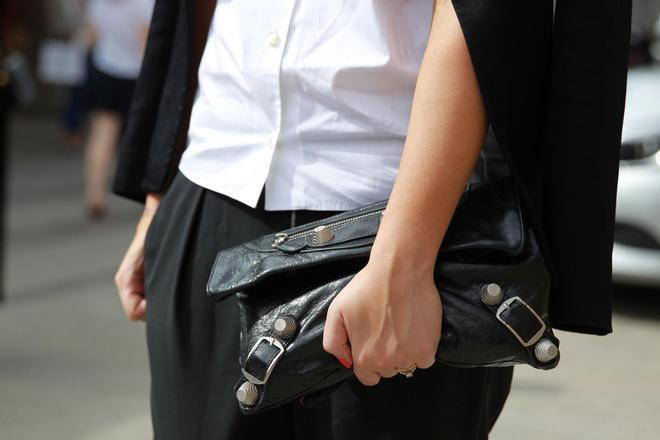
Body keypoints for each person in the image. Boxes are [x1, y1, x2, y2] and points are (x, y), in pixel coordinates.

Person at [113, 0, 632, 439]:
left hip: (404, 223)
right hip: (213, 186)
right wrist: (159, 200)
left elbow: (481, 13)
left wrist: (405, 263)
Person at [81, 0, 153, 218]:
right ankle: (148, 195)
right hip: (137, 74)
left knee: (102, 132)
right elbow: (146, 43)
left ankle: (95, 195)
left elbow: (92, 38)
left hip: (105, 69)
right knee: (143, 136)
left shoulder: (97, 3)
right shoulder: (145, 4)